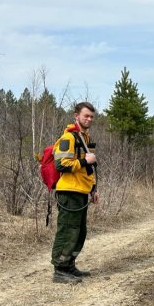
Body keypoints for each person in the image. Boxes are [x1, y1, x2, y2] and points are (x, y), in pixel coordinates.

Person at [50, 102, 99, 284]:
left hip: (81, 191)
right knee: (68, 230)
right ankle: (60, 270)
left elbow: (88, 168)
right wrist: (85, 161)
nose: (89, 119)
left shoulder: (84, 138)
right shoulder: (68, 138)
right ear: (76, 116)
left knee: (79, 232)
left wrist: (93, 189)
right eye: (86, 116)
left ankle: (69, 265)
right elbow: (61, 164)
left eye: (92, 117)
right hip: (69, 191)